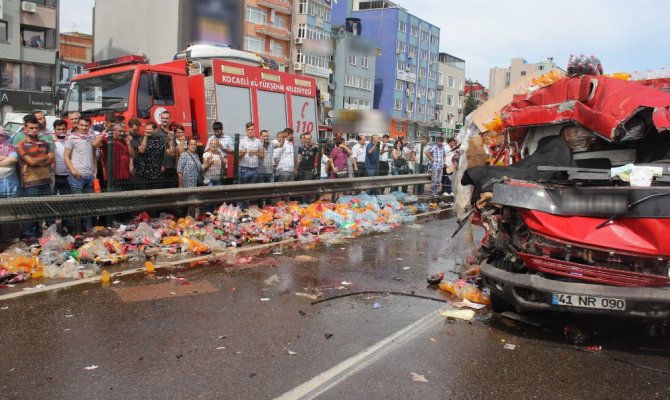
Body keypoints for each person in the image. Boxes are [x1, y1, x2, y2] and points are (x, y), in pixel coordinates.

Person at [64, 117, 104, 232]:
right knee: (76, 205)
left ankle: (87, 230)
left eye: (86, 125)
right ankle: (74, 231)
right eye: (82, 125)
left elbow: (93, 155)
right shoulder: (72, 138)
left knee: (87, 205)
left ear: (90, 126)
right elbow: (66, 156)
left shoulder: (92, 137)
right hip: (77, 177)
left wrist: (95, 170)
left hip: (89, 176)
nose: (84, 128)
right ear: (78, 126)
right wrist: (73, 171)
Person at [17, 116, 54, 238]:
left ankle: (47, 235)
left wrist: (36, 161)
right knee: (31, 210)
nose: (34, 130)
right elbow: (31, 162)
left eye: (36, 128)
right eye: (31, 128)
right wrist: (43, 158)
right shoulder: (21, 145)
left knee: (47, 210)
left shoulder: (45, 143)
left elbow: (52, 159)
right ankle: (29, 237)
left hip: (46, 180)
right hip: (31, 182)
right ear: (25, 128)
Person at [103, 121, 135, 191]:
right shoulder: (107, 140)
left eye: (123, 131)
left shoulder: (124, 141)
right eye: (120, 131)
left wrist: (128, 143)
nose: (122, 133)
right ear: (114, 131)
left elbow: (132, 155)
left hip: (125, 176)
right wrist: (105, 131)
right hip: (112, 177)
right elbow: (95, 144)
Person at [134, 122, 167, 190]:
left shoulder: (161, 140)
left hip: (156, 174)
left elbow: (166, 153)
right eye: (146, 129)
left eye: (149, 129)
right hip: (143, 174)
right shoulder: (141, 139)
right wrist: (145, 137)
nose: (147, 131)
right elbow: (142, 150)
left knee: (155, 197)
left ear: (155, 130)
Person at [157, 111, 177, 187]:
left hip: (172, 167)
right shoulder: (157, 133)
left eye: (166, 118)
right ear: (160, 119)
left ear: (170, 119)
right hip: (161, 167)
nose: (164, 120)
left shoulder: (172, 133)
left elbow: (175, 149)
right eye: (163, 118)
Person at [52, 119, 71, 195]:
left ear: (66, 129)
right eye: (58, 129)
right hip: (55, 176)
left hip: (69, 176)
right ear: (54, 130)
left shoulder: (71, 140)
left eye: (63, 129)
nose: (61, 131)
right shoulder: (50, 140)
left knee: (67, 200)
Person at [0, 127, 19, 198]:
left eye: (1, 135)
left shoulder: (9, 146)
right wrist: (6, 157)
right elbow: (9, 159)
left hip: (9, 181)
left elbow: (13, 159)